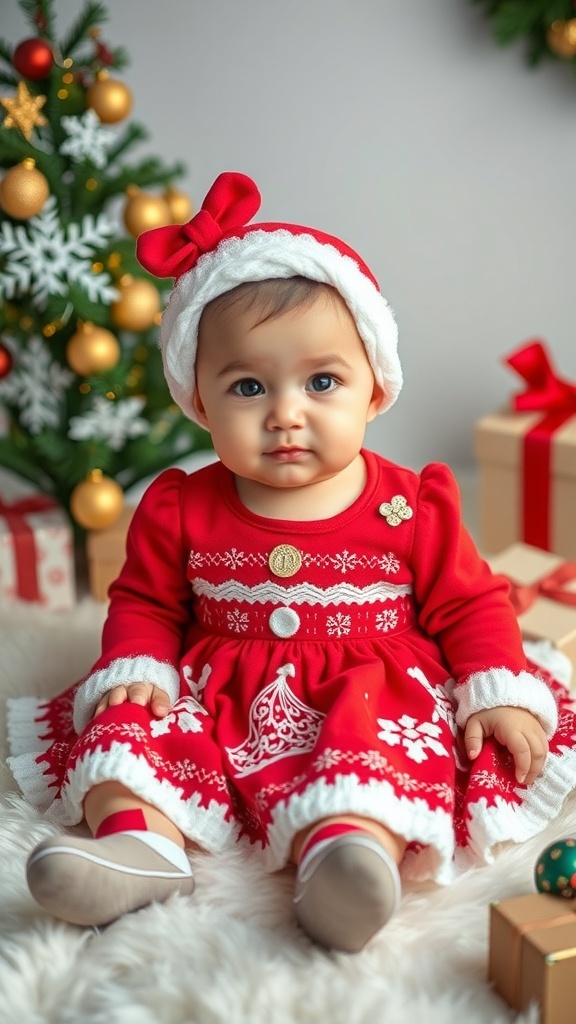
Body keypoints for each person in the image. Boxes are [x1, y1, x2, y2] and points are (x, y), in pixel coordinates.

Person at [8, 172, 576, 954]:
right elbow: (145, 603)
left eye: (321, 381)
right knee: (127, 730)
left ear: (375, 388)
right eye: (248, 385)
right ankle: (139, 847)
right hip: (218, 687)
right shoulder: (181, 506)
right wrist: (138, 664)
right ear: (200, 403)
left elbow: (470, 604)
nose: (285, 413)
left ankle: (349, 859)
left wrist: (492, 689)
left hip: (361, 683)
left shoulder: (410, 504)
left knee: (366, 751)